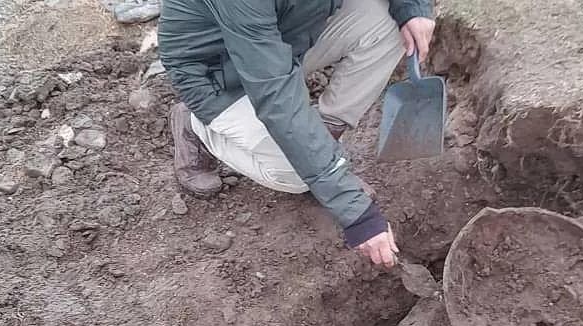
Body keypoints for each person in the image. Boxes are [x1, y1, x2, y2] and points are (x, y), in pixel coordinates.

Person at [158, 0, 435, 268]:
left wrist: (414, 8)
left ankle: (320, 148)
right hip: (218, 73)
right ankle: (198, 127)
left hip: (282, 35)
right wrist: (357, 215)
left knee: (386, 23)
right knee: (297, 178)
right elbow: (276, 95)